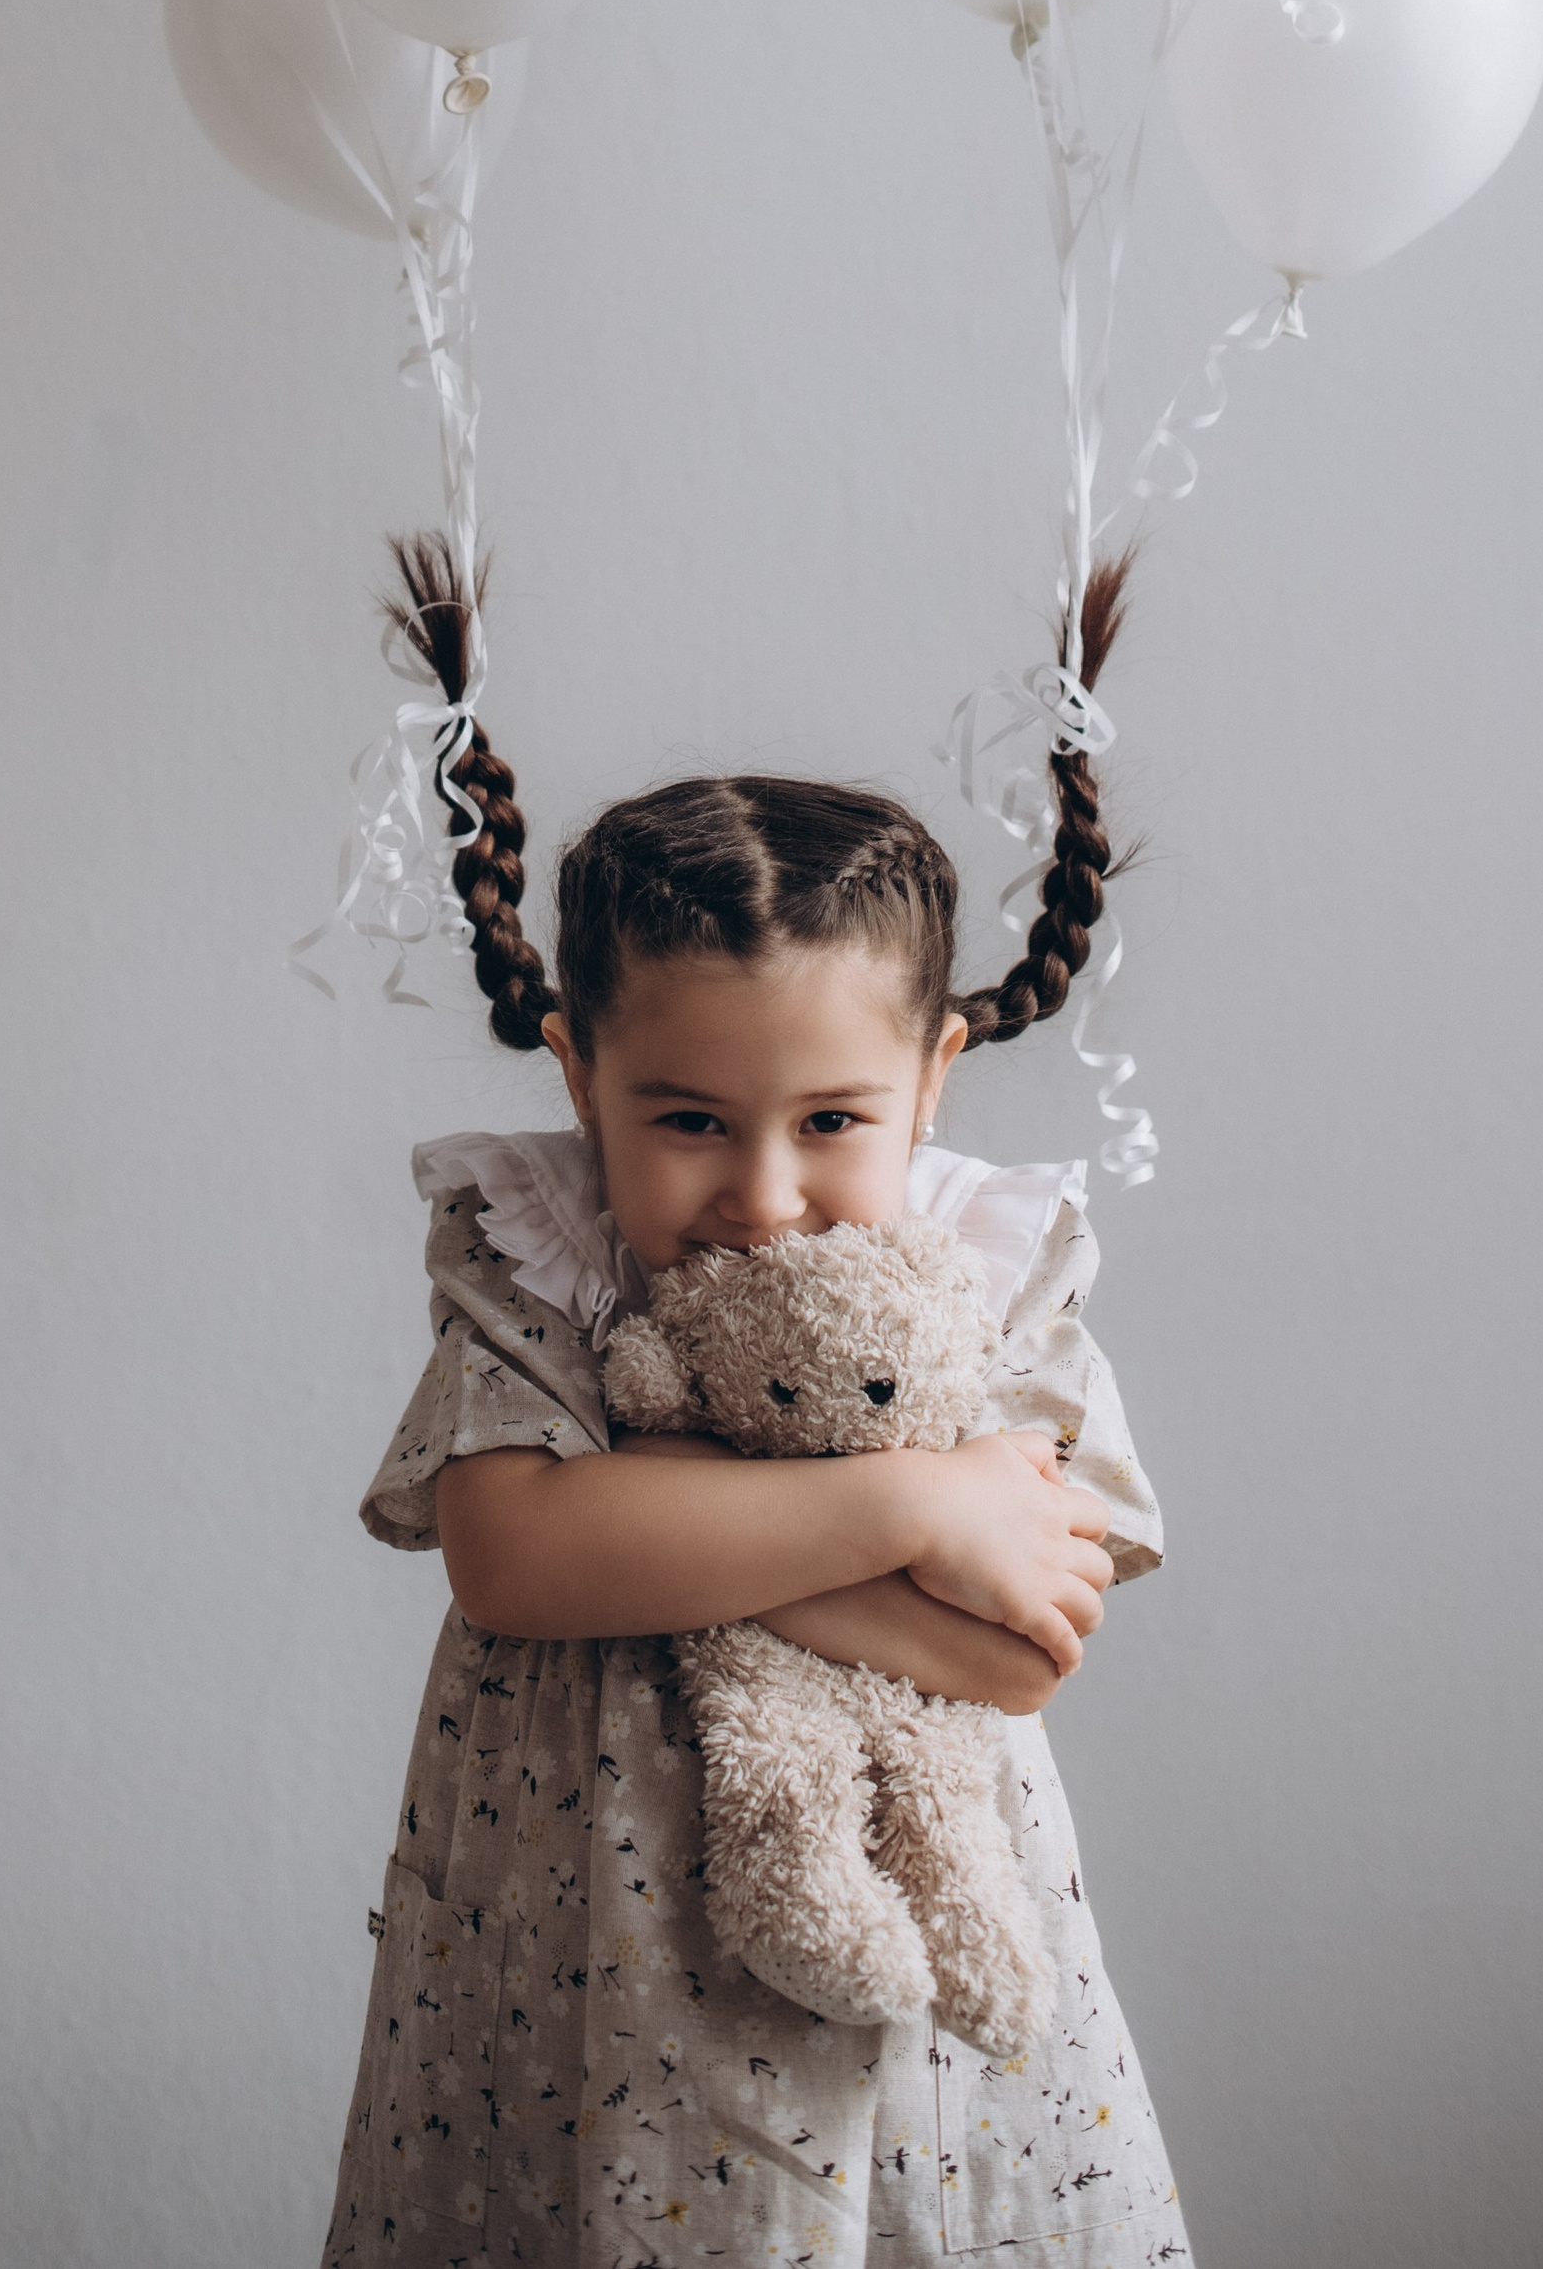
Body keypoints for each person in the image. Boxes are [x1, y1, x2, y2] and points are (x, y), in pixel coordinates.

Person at [321, 542, 1187, 2268]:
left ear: (935, 1076)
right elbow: (510, 1553)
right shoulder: (546, 1260)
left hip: (898, 1958)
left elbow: (1016, 1648)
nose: (767, 1194)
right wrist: (912, 1508)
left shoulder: (989, 1281)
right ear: (579, 1072)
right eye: (691, 1119)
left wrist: (652, 1515)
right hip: (574, 1956)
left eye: (835, 1121)